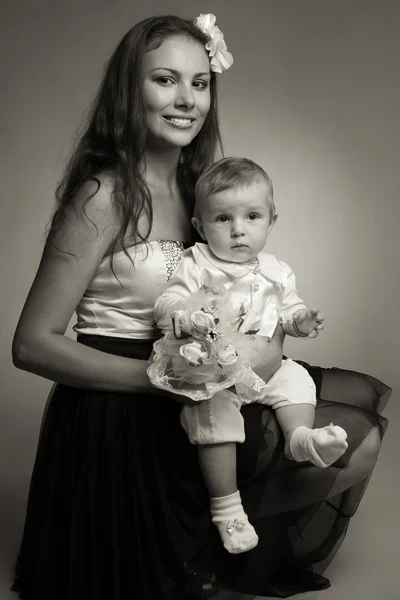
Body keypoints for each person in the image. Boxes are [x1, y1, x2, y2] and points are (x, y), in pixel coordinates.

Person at [10, 12, 389, 600]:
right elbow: (31, 344)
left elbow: (249, 285)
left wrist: (269, 346)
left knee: (357, 419)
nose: (187, 99)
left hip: (210, 376)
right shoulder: (103, 195)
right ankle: (201, 551)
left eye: (200, 81)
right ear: (128, 92)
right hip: (126, 404)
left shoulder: (201, 189)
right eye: (165, 80)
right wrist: (164, 381)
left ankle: (225, 544)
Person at [152, 157, 348, 554]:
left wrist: (301, 321)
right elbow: (165, 302)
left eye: (252, 216)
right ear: (200, 226)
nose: (238, 229)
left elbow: (288, 311)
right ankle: (227, 509)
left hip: (266, 370)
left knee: (297, 381)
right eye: (222, 218)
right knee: (212, 416)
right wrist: (185, 314)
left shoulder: (277, 271)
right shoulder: (196, 264)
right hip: (217, 373)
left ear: (271, 221)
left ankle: (300, 437)